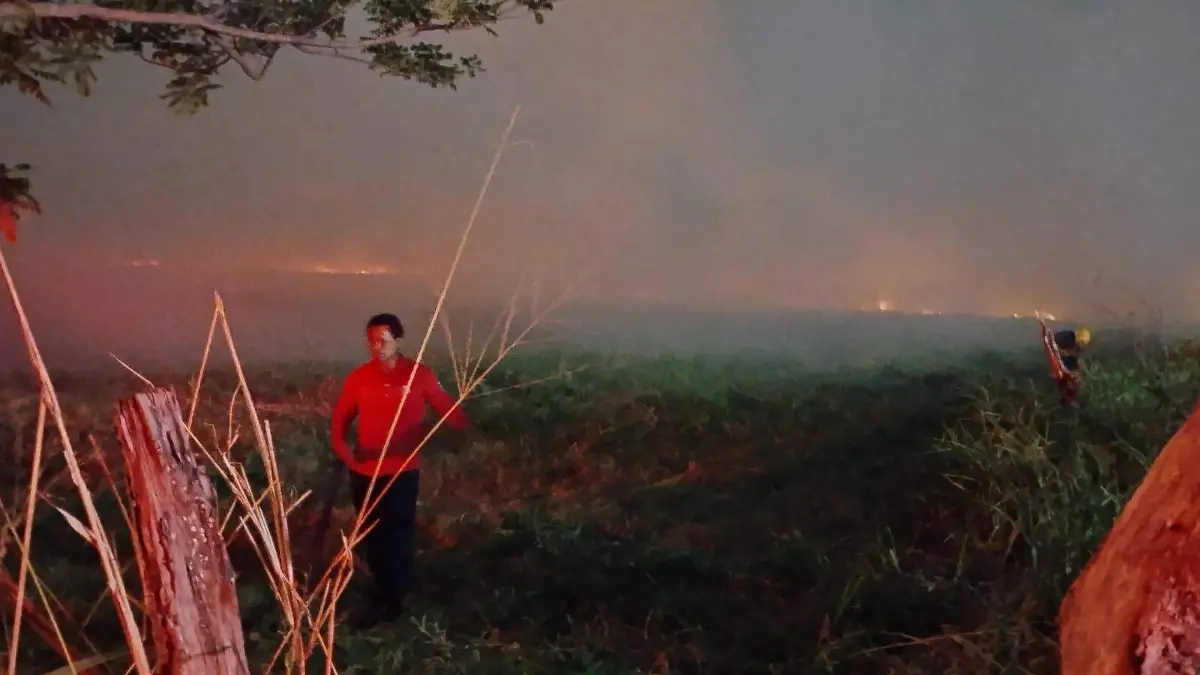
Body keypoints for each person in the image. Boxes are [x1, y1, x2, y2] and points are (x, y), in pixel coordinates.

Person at [329, 313, 469, 629]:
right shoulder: (360, 378)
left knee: (398, 533)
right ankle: (382, 591)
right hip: (365, 472)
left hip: (402, 471)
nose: (376, 347)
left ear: (398, 340)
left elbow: (451, 412)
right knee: (372, 534)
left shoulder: (419, 376)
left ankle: (394, 599)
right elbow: (340, 422)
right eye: (371, 341)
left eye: (383, 341)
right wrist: (347, 455)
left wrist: (459, 419)